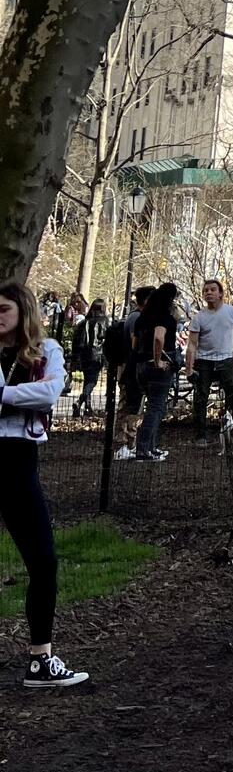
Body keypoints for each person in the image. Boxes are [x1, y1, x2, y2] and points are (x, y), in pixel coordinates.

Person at [0, 281, 88, 688]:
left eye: (3, 309)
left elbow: (51, 392)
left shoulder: (46, 350)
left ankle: (40, 659)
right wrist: (22, 395)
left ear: (23, 311)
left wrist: (4, 393)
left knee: (43, 561)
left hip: (18, 459)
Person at [188, 276, 233, 439]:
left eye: (213, 290)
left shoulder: (232, 312)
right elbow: (192, 343)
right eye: (206, 290)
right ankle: (200, 435)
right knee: (200, 398)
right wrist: (189, 367)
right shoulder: (199, 316)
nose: (209, 293)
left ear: (220, 293)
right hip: (204, 361)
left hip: (226, 359)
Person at [133, 283, 182, 460]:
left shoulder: (142, 317)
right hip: (157, 368)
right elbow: (159, 337)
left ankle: (151, 447)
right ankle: (144, 449)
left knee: (153, 407)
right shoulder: (163, 316)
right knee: (156, 408)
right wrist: (157, 361)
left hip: (141, 366)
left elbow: (135, 342)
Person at [110, 286, 156, 457]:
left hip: (132, 369)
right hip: (131, 371)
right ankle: (123, 444)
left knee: (133, 407)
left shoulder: (136, 317)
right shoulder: (137, 318)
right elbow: (135, 345)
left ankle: (129, 443)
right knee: (128, 407)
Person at [70, 299, 109, 417]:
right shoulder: (104, 321)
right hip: (97, 355)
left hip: (84, 355)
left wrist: (75, 357)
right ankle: (80, 401)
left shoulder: (84, 322)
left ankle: (88, 407)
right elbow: (106, 338)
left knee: (87, 381)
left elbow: (76, 341)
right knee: (92, 382)